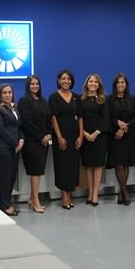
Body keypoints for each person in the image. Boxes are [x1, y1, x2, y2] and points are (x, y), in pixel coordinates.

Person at [49, 69, 83, 209]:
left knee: (73, 166)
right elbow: (53, 118)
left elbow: (80, 117)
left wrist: (81, 136)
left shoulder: (76, 97)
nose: (66, 81)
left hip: (74, 136)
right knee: (62, 166)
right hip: (61, 137)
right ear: (58, 80)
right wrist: (59, 136)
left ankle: (70, 193)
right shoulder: (54, 97)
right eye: (63, 78)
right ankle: (64, 195)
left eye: (68, 79)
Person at [18, 75, 51, 213]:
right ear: (28, 86)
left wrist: (49, 134)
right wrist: (41, 136)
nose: (35, 86)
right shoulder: (24, 101)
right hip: (32, 142)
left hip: (44, 141)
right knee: (35, 172)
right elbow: (27, 123)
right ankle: (35, 200)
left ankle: (32, 198)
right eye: (32, 84)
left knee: (39, 171)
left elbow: (49, 119)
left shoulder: (43, 100)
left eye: (37, 83)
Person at [0, 84, 24, 216]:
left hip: (15, 148)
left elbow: (19, 127)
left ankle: (8, 202)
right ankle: (4, 205)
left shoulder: (14, 107)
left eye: (9, 92)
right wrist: (15, 143)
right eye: (4, 93)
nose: (7, 95)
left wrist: (21, 139)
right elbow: (0, 129)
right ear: (0, 94)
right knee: (5, 177)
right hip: (3, 148)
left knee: (11, 177)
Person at [107, 73, 135, 205]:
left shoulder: (132, 98)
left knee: (125, 164)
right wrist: (117, 123)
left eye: (123, 82)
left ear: (126, 85)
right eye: (118, 82)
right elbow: (107, 117)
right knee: (119, 164)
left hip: (128, 136)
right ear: (115, 85)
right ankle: (125, 193)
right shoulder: (109, 99)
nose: (120, 85)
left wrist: (124, 127)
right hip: (114, 137)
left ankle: (122, 192)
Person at [80, 73, 109, 206]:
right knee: (88, 165)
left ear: (99, 85)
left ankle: (96, 193)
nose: (93, 84)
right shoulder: (81, 100)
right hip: (85, 137)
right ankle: (90, 192)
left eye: (96, 82)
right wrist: (85, 134)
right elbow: (79, 118)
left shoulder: (103, 100)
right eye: (91, 81)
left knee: (97, 165)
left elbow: (105, 119)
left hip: (99, 136)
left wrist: (96, 133)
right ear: (87, 83)